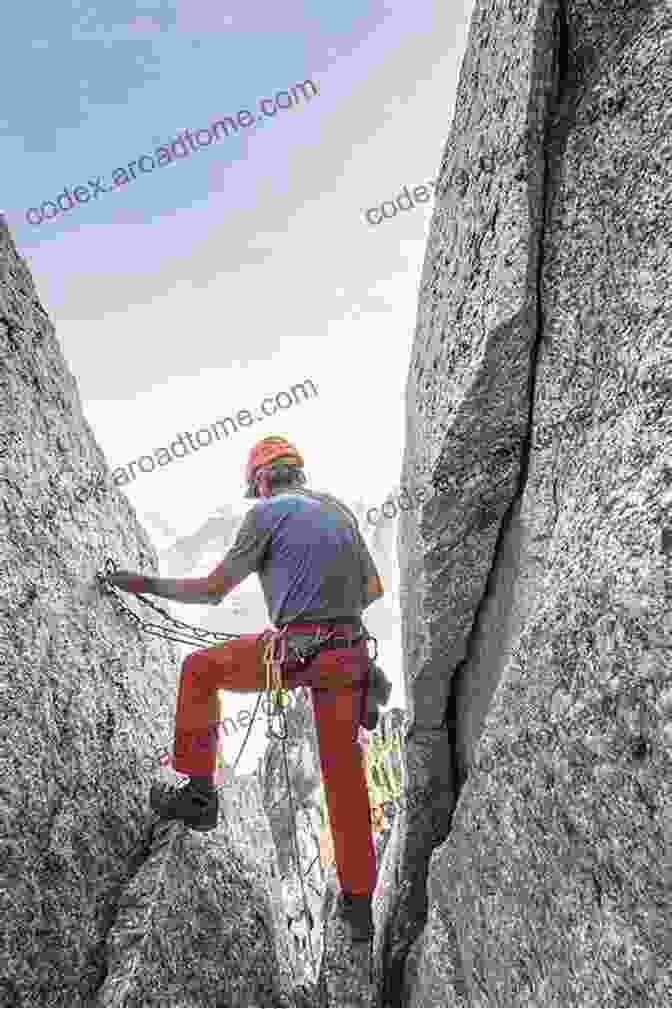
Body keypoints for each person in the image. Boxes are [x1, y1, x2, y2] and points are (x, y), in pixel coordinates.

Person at [103, 435, 391, 941]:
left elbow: (211, 590)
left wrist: (143, 584)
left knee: (199, 670)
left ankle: (198, 793)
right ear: (296, 470)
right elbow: (370, 591)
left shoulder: (265, 515)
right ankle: (361, 906)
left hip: (295, 652)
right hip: (348, 656)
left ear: (261, 479)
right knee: (343, 775)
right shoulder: (339, 508)